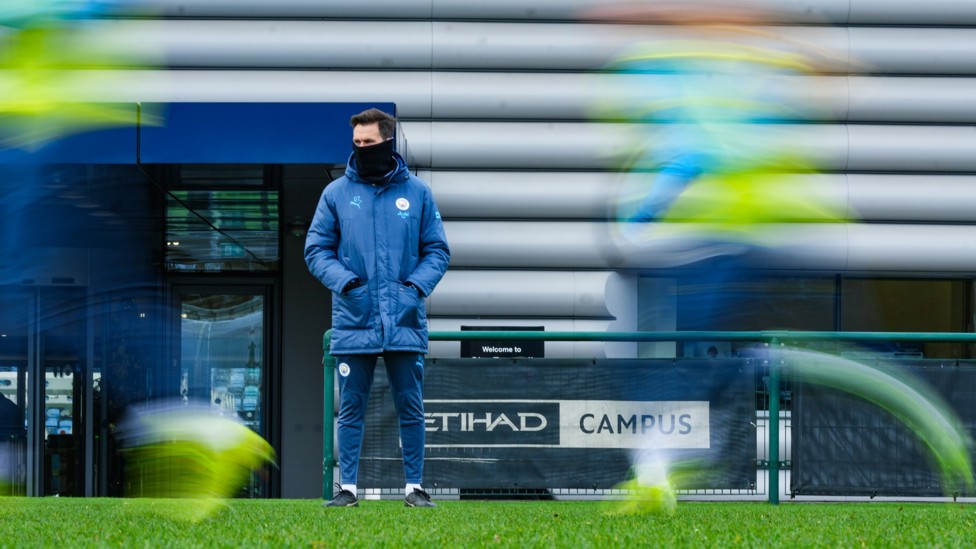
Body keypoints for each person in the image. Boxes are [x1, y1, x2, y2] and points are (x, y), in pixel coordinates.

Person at [305, 108, 450, 508]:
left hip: (404, 319)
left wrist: (412, 290)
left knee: (411, 406)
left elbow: (437, 251)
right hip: (355, 318)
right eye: (357, 143)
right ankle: (347, 489)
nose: (362, 149)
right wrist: (346, 283)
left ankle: (414, 489)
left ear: (388, 141)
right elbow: (316, 250)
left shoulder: (418, 194)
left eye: (369, 142)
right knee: (350, 407)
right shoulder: (335, 194)